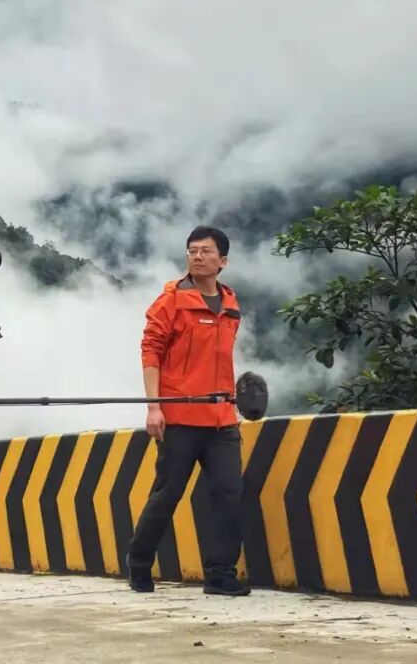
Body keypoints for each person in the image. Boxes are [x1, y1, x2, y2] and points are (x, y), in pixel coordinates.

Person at [126, 225, 250, 596]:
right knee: (168, 494)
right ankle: (139, 562)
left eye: (206, 251)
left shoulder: (230, 304)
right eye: (192, 250)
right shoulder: (171, 301)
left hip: (222, 419)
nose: (197, 256)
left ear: (222, 261)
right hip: (179, 417)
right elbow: (151, 352)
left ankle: (220, 574)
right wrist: (154, 407)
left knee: (229, 493)